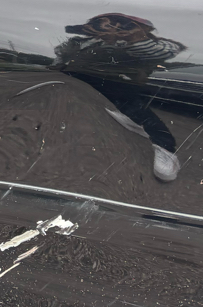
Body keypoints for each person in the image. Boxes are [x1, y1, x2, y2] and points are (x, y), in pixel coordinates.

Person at [52, 13, 185, 182]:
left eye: (122, 25)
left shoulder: (156, 44)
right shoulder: (83, 41)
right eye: (101, 25)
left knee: (135, 109)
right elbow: (62, 55)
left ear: (144, 29)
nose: (111, 29)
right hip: (83, 82)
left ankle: (164, 148)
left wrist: (134, 38)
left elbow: (164, 52)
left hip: (121, 85)